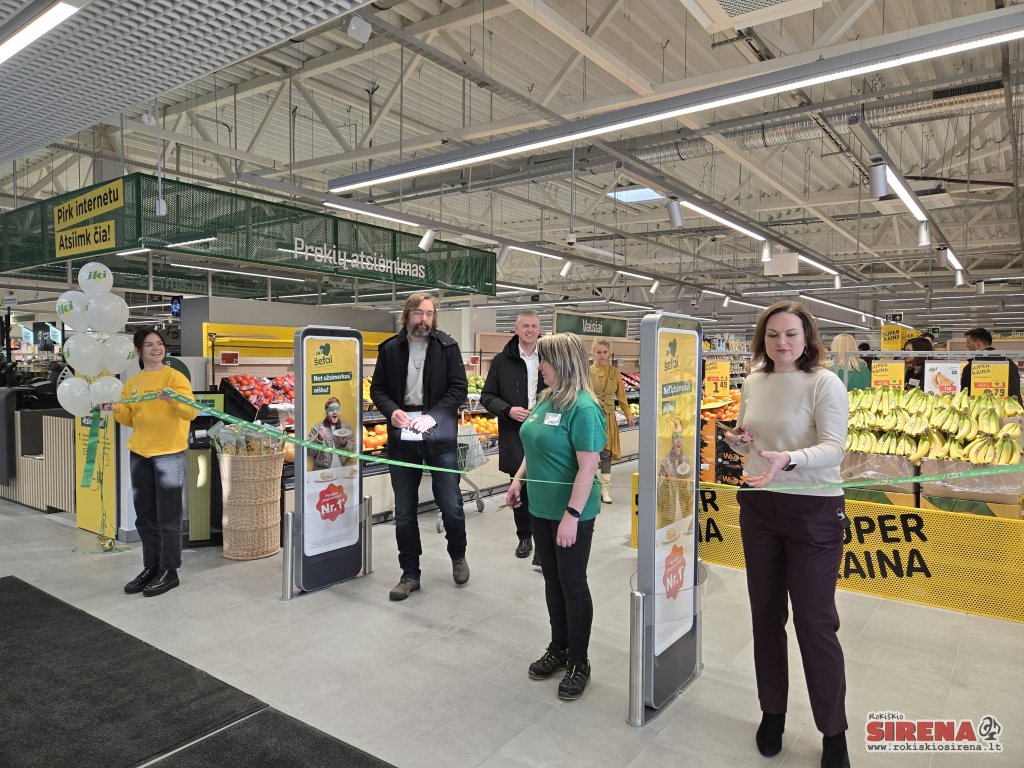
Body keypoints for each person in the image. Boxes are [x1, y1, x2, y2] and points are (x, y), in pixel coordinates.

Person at [721, 301, 850, 768]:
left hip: (814, 510)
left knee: (815, 623)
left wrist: (789, 460)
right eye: (773, 334)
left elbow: (835, 448)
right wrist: (740, 443)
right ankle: (772, 711)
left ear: (807, 337)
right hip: (759, 506)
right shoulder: (753, 381)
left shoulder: (824, 383)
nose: (782, 342)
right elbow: (751, 440)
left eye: (791, 334)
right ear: (763, 339)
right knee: (765, 615)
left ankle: (833, 731)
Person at [506, 333, 605, 701]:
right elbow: (534, 446)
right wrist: (518, 479)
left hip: (571, 511)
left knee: (573, 583)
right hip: (541, 506)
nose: (539, 365)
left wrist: (572, 515)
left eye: (543, 359)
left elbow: (588, 467)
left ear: (561, 362)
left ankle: (580, 661)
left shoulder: (584, 408)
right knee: (552, 580)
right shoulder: (547, 399)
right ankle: (559, 647)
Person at [370, 293, 469, 601]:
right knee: (404, 511)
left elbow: (459, 389)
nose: (424, 319)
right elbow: (377, 389)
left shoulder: (447, 347)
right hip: (402, 437)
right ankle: (410, 573)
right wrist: (392, 411)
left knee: (451, 504)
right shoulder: (390, 349)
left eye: (429, 313)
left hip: (439, 435)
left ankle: (458, 555)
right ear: (407, 315)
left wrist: (434, 416)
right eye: (418, 313)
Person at [111, 328, 198, 597]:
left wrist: (174, 400)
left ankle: (169, 571)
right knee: (145, 517)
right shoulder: (133, 383)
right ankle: (151, 566)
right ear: (139, 351)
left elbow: (191, 412)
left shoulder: (174, 377)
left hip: (169, 454)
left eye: (159, 343)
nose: (156, 348)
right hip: (140, 454)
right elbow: (129, 418)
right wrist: (116, 408)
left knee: (168, 517)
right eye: (149, 345)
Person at [480, 310, 546, 563]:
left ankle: (543, 545)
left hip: (545, 432)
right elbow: (487, 396)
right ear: (516, 329)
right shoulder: (501, 361)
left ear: (539, 330)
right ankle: (524, 537)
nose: (530, 330)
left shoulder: (549, 356)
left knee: (543, 486)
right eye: (525, 326)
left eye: (534, 326)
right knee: (519, 487)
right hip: (514, 433)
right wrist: (508, 409)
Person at [588, 338, 634, 503]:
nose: (602, 355)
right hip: (592, 416)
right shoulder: (587, 372)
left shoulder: (615, 373)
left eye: (605, 352)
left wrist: (628, 414)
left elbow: (621, 396)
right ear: (593, 353)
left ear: (609, 354)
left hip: (608, 417)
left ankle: (605, 489)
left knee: (606, 453)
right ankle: (590, 488)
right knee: (590, 452)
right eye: (598, 352)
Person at [961, 327, 1022, 404]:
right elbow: (1015, 392)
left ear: (978, 344)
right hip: (1007, 409)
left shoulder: (970, 367)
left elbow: (964, 397)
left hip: (979, 410)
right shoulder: (1010, 363)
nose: (966, 345)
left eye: (968, 342)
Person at [306, 397, 354, 470]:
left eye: (337, 409)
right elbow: (309, 452)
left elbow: (353, 450)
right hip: (322, 472)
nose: (335, 412)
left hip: (342, 472)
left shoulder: (346, 427)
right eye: (331, 410)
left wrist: (344, 443)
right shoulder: (317, 428)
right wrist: (319, 439)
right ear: (326, 412)